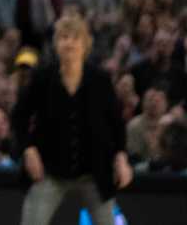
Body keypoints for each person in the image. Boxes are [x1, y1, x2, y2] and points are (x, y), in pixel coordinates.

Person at [13, 14, 131, 225]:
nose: (69, 43)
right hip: (49, 169)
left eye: (75, 38)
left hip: (93, 170)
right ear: (56, 44)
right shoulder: (43, 78)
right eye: (63, 37)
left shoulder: (100, 80)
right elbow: (19, 115)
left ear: (85, 44)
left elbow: (116, 123)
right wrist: (28, 149)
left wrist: (121, 157)